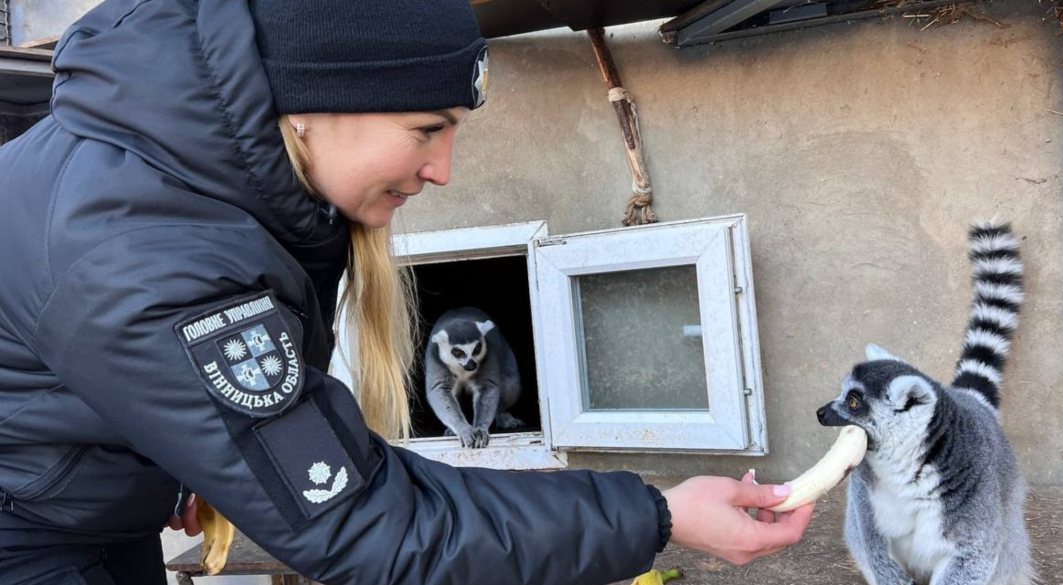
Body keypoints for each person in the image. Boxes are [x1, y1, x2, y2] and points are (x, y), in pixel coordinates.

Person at [0, 0, 815, 583]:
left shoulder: (199, 176)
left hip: (85, 509)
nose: (442, 170)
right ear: (312, 106)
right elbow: (365, 525)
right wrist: (659, 517)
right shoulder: (147, 257)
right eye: (428, 128)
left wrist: (179, 455)